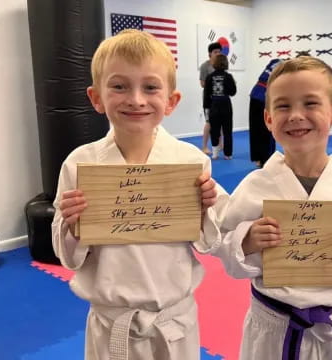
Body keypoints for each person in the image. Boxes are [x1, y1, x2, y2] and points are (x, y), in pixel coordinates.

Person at [51, 29, 228, 360]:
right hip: (111, 325)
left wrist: (204, 211)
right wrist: (74, 227)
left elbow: (209, 244)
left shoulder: (191, 162)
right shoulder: (80, 165)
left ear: (171, 101)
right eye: (119, 86)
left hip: (174, 322)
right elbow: (68, 257)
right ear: (96, 98)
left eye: (150, 87)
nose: (136, 99)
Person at [215, 57, 332, 360]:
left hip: (331, 328)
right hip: (272, 328)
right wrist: (246, 240)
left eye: (310, 103)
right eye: (283, 106)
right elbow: (223, 247)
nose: (295, 116)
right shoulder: (256, 186)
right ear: (267, 119)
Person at [249, 59, 281, 167]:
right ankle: (266, 159)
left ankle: (259, 158)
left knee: (256, 128)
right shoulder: (288, 69)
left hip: (255, 94)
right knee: (268, 127)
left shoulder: (275, 61)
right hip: (264, 96)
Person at [203, 54, 237, 160]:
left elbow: (206, 94)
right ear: (226, 63)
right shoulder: (228, 77)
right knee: (227, 130)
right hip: (226, 104)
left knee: (215, 130)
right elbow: (233, 92)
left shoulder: (209, 77)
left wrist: (206, 108)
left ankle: (215, 153)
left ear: (214, 63)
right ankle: (228, 154)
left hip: (214, 104)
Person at [199, 42, 222, 154]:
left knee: (221, 122)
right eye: (215, 52)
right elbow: (202, 83)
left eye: (219, 52)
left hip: (220, 99)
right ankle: (204, 146)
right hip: (209, 99)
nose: (218, 54)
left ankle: (221, 144)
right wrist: (214, 84)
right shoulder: (205, 66)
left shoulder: (221, 66)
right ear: (210, 54)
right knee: (209, 123)